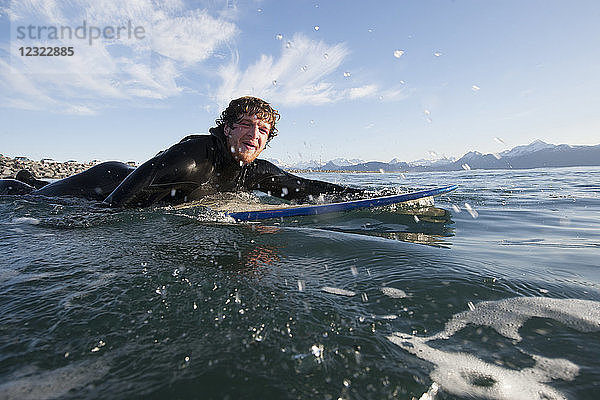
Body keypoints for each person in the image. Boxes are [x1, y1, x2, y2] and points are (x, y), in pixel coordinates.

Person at [0, 96, 362, 207]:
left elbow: (306, 189)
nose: (255, 135)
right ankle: (24, 182)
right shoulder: (192, 158)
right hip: (103, 185)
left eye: (263, 130)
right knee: (28, 198)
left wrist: (383, 196)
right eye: (246, 125)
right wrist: (85, 224)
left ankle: (31, 177)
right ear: (226, 129)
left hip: (126, 183)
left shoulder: (255, 170)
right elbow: (115, 204)